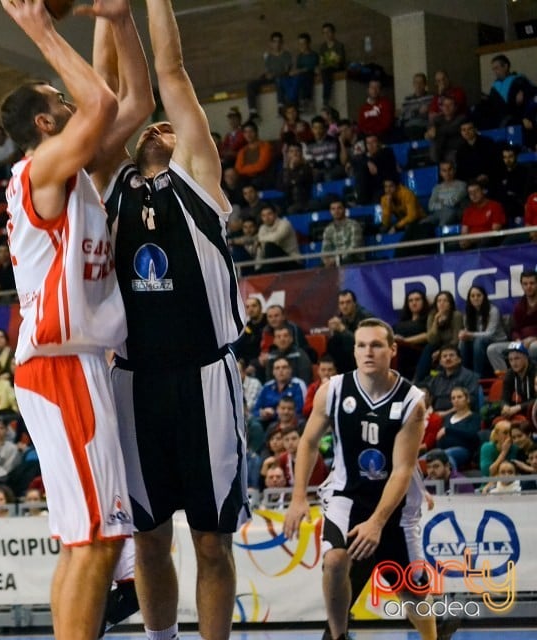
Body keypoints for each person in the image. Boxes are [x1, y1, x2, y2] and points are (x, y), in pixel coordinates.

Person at [95, 2, 250, 638]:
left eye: (169, 125)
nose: (160, 125)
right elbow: (101, 97)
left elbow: (172, 70)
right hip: (135, 381)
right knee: (150, 541)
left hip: (207, 375)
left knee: (212, 544)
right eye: (149, 123)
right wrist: (109, 17)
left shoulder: (201, 179)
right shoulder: (110, 186)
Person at [0, 1, 138, 638]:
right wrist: (42, 29)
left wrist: (115, 17)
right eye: (59, 94)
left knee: (84, 542)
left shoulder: (72, 171)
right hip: (60, 366)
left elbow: (125, 102)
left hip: (68, 364)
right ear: (44, 119)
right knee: (98, 543)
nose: (71, 93)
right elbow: (103, 105)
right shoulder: (42, 169)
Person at [284, 319, 436, 640]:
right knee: (336, 559)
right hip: (346, 494)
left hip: (395, 502)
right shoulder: (332, 391)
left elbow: (402, 471)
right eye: (362, 345)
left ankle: (433, 635)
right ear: (353, 351)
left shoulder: (412, 401)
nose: (369, 351)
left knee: (412, 590)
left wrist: (377, 522)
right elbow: (308, 442)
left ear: (392, 350)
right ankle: (338, 636)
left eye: (377, 345)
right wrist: (298, 497)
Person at [486, 270, 537, 372]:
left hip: (534, 342)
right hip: (521, 342)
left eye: (532, 283)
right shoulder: (519, 306)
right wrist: (518, 340)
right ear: (522, 285)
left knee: (533, 347)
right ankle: (506, 379)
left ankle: (533, 378)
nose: (528, 286)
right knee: (492, 349)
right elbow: (514, 329)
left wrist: (533, 338)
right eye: (525, 284)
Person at [458, 285, 506, 377]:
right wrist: (463, 335)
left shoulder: (493, 310)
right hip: (478, 340)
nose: (475, 298)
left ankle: (477, 376)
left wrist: (470, 334)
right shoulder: (468, 313)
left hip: (496, 340)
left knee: (478, 342)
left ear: (484, 297)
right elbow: (467, 330)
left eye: (478, 295)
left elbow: (490, 334)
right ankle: (464, 376)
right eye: (472, 296)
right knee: (463, 342)